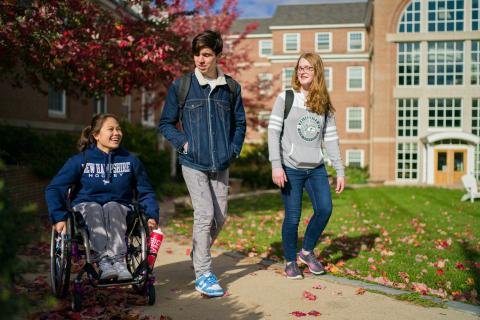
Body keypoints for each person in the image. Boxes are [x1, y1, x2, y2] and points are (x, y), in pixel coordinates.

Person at [159, 30, 246, 297]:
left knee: (220, 218)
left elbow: (240, 123)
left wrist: (232, 150)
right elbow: (166, 123)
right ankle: (204, 273)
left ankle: (199, 253)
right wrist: (184, 143)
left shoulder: (230, 88)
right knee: (205, 213)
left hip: (221, 162)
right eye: (197, 54)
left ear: (218, 55)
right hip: (192, 161)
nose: (200, 59)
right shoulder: (182, 85)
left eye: (206, 54)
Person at [46, 113, 160, 281]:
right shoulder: (81, 160)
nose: (117, 133)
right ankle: (104, 262)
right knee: (93, 208)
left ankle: (119, 262)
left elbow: (146, 190)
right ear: (96, 135)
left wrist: (151, 215)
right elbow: (54, 188)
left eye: (119, 129)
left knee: (112, 206)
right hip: (86, 209)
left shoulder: (130, 160)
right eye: (111, 129)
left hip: (120, 209)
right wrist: (58, 217)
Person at [268, 52, 345, 280]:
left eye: (308, 68)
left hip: (316, 168)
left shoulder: (324, 104)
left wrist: (339, 170)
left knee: (325, 208)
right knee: (293, 217)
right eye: (300, 67)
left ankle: (307, 251)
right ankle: (291, 261)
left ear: (317, 72)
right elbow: (273, 132)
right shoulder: (287, 98)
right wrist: (276, 165)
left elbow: (331, 138)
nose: (302, 71)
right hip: (290, 167)